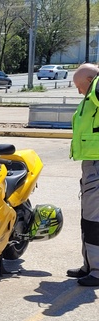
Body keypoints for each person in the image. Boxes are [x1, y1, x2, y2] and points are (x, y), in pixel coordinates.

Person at [68, 63, 99, 287]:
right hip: (92, 163)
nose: (79, 92)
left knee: (93, 219)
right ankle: (89, 265)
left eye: (80, 87)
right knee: (87, 216)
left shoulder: (97, 88)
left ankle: (97, 271)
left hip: (97, 164)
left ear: (89, 81)